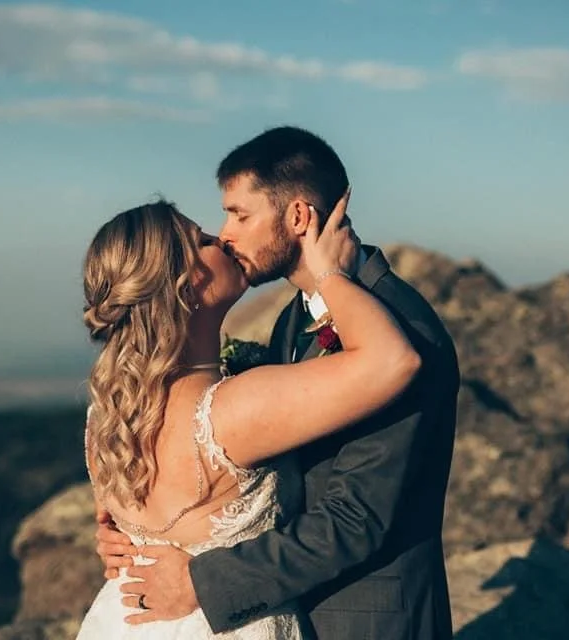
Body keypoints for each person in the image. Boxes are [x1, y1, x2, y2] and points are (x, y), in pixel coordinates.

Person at [95, 127, 460, 639]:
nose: (226, 234)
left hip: (366, 617)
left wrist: (203, 581)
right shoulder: (292, 320)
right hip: (278, 605)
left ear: (298, 217)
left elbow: (357, 518)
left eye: (239, 215)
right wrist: (134, 531)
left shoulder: (404, 327)